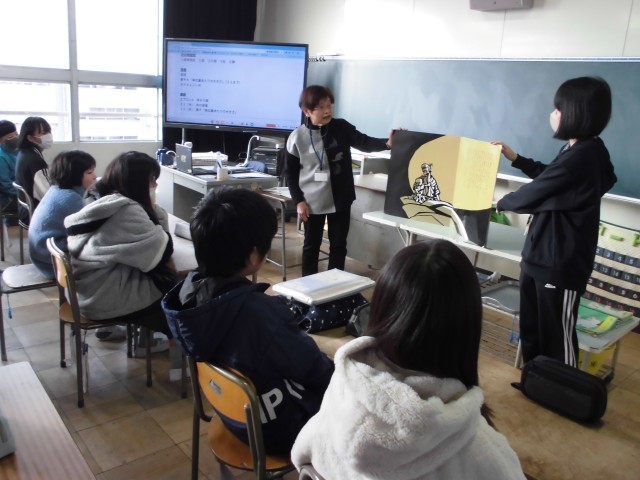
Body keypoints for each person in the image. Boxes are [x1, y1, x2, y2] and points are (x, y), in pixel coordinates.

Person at [291, 240, 526, 479]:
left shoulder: (345, 386)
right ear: (467, 329)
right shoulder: (483, 453)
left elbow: (303, 452)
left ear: (380, 310)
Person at [162, 188, 334, 456]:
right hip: (281, 430)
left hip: (234, 414)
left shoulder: (187, 294)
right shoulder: (260, 315)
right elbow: (315, 369)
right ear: (253, 257)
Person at [494, 76, 616, 367]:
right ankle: (536, 381)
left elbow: (536, 192)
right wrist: (517, 159)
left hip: (559, 261)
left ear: (576, 113)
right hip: (540, 255)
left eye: (558, 109)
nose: (553, 114)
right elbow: (549, 176)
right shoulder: (575, 149)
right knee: (533, 328)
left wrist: (500, 202)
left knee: (557, 337)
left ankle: (564, 387)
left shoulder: (585, 155)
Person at [64, 151, 177, 344]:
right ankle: (147, 345)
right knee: (176, 296)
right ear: (137, 182)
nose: (155, 186)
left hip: (87, 290)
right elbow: (162, 252)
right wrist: (154, 209)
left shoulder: (101, 198)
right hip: (103, 298)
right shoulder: (127, 210)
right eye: (152, 180)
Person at [286, 85, 396, 276]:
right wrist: (298, 202)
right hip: (311, 202)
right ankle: (307, 285)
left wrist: (387, 144)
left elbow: (364, 142)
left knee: (338, 245)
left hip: (340, 199)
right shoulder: (297, 137)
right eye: (321, 107)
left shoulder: (341, 127)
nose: (327, 111)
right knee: (311, 246)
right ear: (307, 111)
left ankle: (335, 284)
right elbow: (291, 174)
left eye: (329, 105)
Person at [28, 151, 97, 278]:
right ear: (74, 175)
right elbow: (89, 232)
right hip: (55, 264)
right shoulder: (71, 199)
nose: (95, 176)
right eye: (89, 172)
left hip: (44, 256)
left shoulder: (57, 190)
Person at [15, 116, 53, 223]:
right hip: (36, 213)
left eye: (49, 131)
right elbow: (48, 195)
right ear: (31, 138)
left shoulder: (23, 153)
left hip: (25, 210)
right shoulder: (36, 161)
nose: (49, 135)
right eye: (43, 133)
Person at [0, 120, 19, 216]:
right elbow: (6, 186)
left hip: (20, 191)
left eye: (16, 134)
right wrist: (26, 195)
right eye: (10, 137)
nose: (15, 138)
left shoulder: (18, 152)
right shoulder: (1, 157)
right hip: (9, 199)